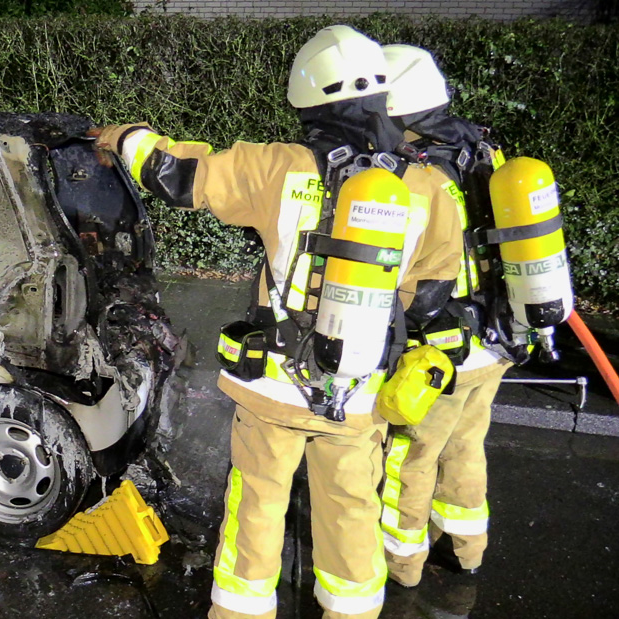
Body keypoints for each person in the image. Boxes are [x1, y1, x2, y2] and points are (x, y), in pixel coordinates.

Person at [94, 26, 462, 619]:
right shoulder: (427, 187)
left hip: (274, 389)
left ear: (308, 100)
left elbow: (178, 174)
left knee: (258, 504)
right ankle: (352, 610)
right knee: (352, 509)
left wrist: (122, 137)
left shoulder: (274, 167)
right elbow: (430, 297)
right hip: (360, 391)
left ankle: (241, 610)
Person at [378, 44, 514, 587]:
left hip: (440, 351)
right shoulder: (482, 150)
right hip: (496, 337)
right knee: (465, 446)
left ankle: (401, 564)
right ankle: (468, 551)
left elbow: (410, 277)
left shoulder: (414, 173)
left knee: (409, 458)